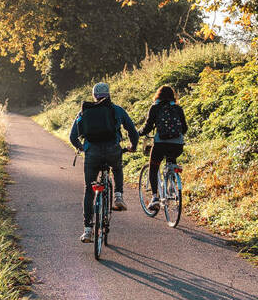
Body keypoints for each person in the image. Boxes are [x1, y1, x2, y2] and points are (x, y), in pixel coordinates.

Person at [69, 81, 139, 242]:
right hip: (112, 150)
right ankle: (118, 196)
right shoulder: (117, 110)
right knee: (117, 168)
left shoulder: (84, 112)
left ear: (94, 96)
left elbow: (73, 137)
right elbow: (132, 132)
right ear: (109, 95)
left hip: (92, 153)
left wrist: (82, 147)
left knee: (89, 190)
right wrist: (132, 146)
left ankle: (87, 230)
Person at [137, 84, 188, 216]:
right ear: (173, 96)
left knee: (153, 167)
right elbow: (185, 128)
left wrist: (138, 133)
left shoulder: (155, 107)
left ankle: (155, 198)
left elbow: (148, 127)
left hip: (160, 144)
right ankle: (171, 185)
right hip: (177, 146)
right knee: (171, 160)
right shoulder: (177, 108)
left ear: (158, 95)